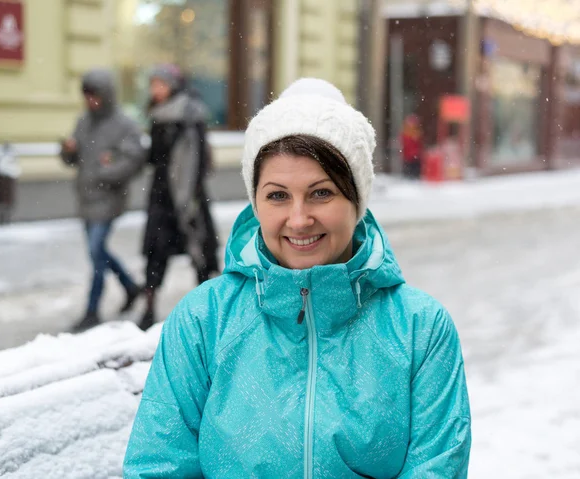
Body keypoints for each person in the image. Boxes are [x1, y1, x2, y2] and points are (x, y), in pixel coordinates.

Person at [124, 78, 471, 478]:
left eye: (321, 193)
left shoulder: (419, 329)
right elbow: (158, 466)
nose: (299, 218)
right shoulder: (204, 321)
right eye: (277, 195)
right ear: (256, 203)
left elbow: (436, 468)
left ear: (357, 201)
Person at [61, 68, 145, 332]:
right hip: (85, 198)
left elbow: (134, 161)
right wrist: (67, 151)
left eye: (95, 96)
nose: (90, 101)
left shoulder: (124, 124)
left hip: (108, 200)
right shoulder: (83, 121)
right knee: (97, 252)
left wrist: (103, 172)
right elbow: (71, 160)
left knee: (96, 253)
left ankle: (92, 310)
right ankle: (131, 286)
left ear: (106, 95)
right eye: (87, 96)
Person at [140, 64, 220, 331]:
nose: (155, 90)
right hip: (162, 195)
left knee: (200, 252)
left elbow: (194, 161)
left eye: (159, 84)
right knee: (155, 253)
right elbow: (154, 157)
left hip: (187, 194)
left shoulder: (188, 115)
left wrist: (187, 196)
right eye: (153, 85)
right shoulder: (157, 115)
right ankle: (148, 309)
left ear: (172, 85)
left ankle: (213, 308)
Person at [0, 142, 20, 224]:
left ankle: (6, 219)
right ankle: (1, 219)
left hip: (7, 183)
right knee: (1, 203)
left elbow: (16, 170)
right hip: (2, 182)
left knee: (6, 202)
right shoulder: (0, 155)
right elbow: (0, 167)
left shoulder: (12, 157)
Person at [401, 114, 423, 179]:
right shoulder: (406, 134)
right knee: (409, 172)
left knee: (414, 172)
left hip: (414, 157)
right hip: (409, 157)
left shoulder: (416, 133)